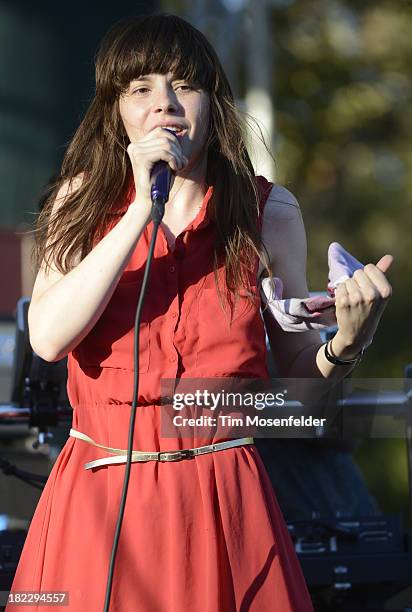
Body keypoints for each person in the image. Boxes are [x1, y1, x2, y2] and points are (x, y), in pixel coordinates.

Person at [7, 13, 393, 612]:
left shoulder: (269, 212)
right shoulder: (79, 199)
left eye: (185, 86)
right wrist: (139, 208)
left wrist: (346, 341)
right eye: (141, 89)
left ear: (213, 104)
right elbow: (50, 339)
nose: (164, 104)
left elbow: (295, 398)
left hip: (222, 498)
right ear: (116, 110)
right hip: (102, 495)